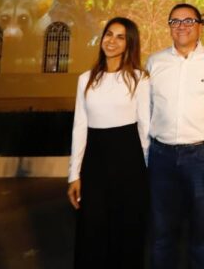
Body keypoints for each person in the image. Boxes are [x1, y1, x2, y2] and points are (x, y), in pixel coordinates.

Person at [67, 17, 150, 268]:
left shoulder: (140, 78)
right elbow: (80, 126)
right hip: (95, 161)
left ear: (129, 44)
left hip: (129, 161)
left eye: (120, 37)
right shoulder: (86, 79)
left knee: (127, 230)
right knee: (92, 229)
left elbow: (145, 126)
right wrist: (74, 174)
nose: (111, 41)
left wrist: (148, 170)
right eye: (108, 34)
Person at [145, 4, 204, 269]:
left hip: (200, 156)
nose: (182, 26)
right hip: (160, 156)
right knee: (161, 232)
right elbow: (147, 111)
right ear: (169, 27)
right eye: (175, 21)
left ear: (200, 26)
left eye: (189, 20)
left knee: (202, 232)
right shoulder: (155, 62)